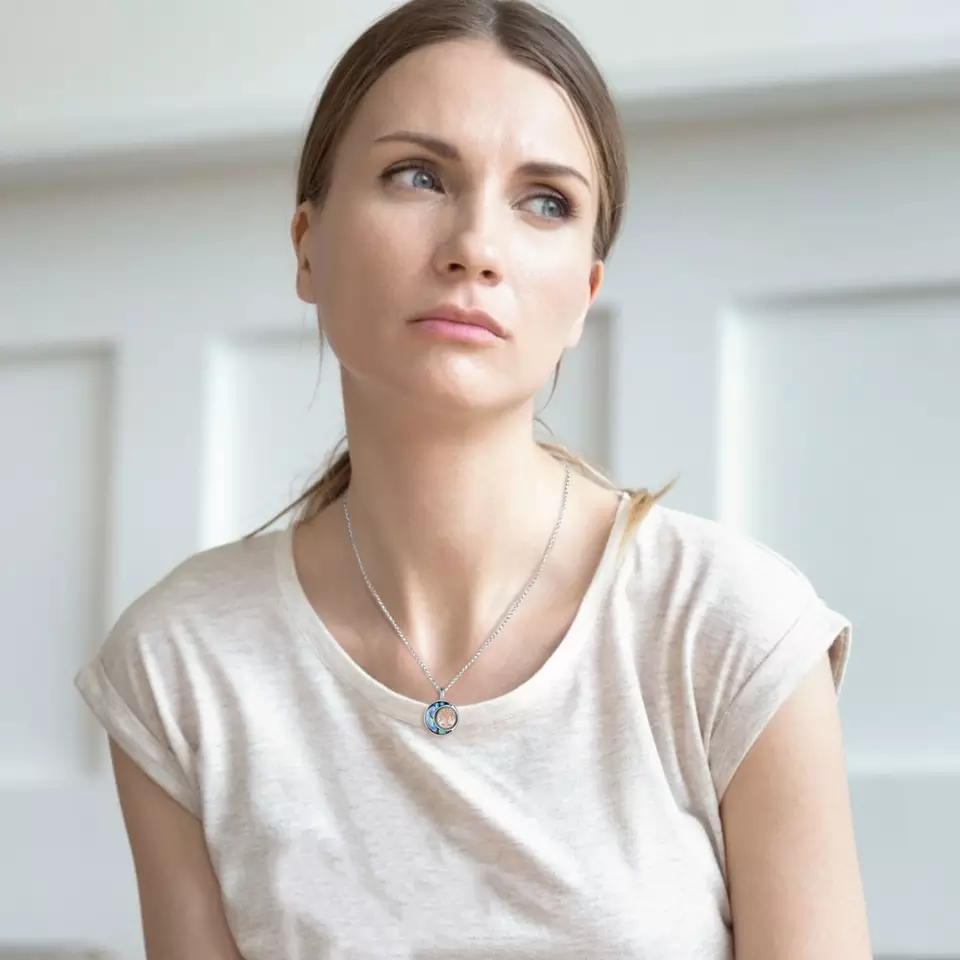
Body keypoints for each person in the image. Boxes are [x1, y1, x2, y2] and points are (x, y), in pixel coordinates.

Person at [74, 0, 874, 956]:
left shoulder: (733, 629)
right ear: (306, 247)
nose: (474, 248)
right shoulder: (182, 665)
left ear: (583, 294)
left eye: (545, 201)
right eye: (417, 175)